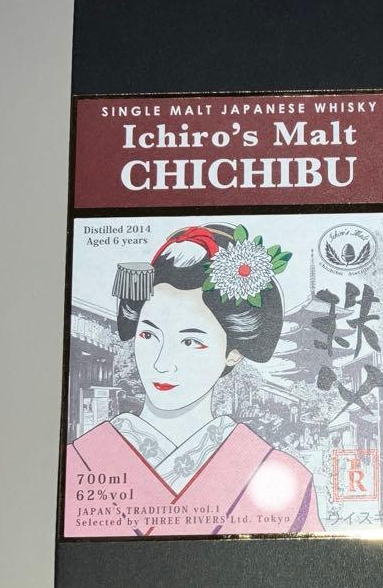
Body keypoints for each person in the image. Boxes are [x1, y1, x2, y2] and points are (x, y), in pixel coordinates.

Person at [64, 223, 322, 536]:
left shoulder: (283, 479)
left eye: (190, 341)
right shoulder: (78, 463)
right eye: (148, 335)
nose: (161, 363)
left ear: (233, 353)